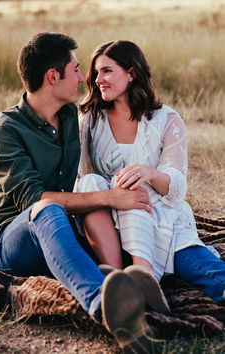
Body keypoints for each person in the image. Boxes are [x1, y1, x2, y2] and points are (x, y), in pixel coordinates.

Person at [0, 32, 156, 353]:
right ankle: (106, 308)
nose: (85, 77)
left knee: (92, 198)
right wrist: (110, 198)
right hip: (12, 241)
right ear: (53, 77)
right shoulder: (4, 130)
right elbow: (35, 201)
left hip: (61, 230)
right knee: (49, 209)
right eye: (77, 70)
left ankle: (130, 275)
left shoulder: (70, 117)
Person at [76, 40, 225, 310]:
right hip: (108, 226)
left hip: (161, 217)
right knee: (96, 183)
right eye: (96, 73)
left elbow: (176, 188)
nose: (99, 80)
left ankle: (142, 278)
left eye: (107, 71)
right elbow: (83, 182)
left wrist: (148, 172)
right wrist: (116, 195)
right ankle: (119, 278)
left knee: (209, 272)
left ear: (131, 73)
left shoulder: (166, 120)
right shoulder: (90, 120)